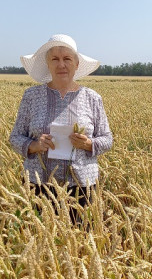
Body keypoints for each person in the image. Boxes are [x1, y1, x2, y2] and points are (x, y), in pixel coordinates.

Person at [9, 34, 113, 224]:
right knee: (40, 239)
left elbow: (107, 139)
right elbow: (15, 137)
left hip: (82, 186)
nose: (61, 65)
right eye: (55, 59)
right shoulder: (31, 96)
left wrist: (89, 143)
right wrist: (34, 145)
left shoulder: (92, 98)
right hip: (38, 185)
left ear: (77, 64)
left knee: (81, 240)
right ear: (48, 64)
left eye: (67, 59)